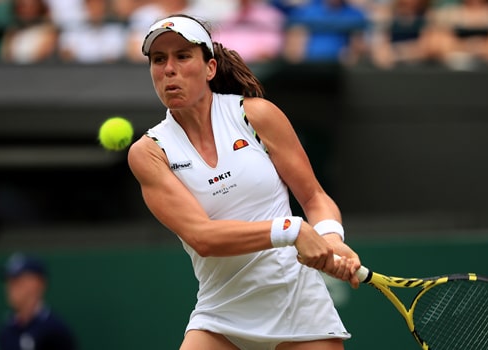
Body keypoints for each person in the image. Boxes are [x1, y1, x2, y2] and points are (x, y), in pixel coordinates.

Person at [127, 14, 362, 350]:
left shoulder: (256, 115)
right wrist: (293, 230)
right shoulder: (149, 153)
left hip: (298, 307)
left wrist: (330, 237)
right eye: (159, 60)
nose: (169, 69)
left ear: (209, 68)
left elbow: (314, 197)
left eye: (182, 56)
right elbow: (203, 238)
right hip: (221, 317)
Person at [0, 252, 77, 350]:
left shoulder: (55, 330)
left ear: (38, 283)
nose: (10, 287)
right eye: (8, 281)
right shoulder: (6, 330)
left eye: (17, 280)